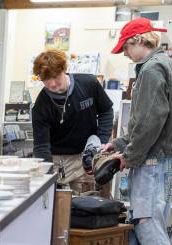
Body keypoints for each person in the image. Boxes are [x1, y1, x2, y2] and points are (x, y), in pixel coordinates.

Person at [102, 18, 172, 245]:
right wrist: (118, 145)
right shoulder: (164, 65)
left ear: (140, 41)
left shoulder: (152, 70)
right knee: (147, 221)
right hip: (164, 158)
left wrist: (128, 157)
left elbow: (149, 122)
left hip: (154, 159)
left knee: (146, 222)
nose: (126, 55)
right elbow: (147, 120)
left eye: (126, 49)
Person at [30, 50, 115, 191]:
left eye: (56, 77)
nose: (52, 84)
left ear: (64, 69)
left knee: (89, 205)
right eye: (46, 80)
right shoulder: (41, 105)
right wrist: (47, 177)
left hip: (87, 157)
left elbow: (106, 111)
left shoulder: (89, 84)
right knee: (59, 208)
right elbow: (41, 146)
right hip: (58, 161)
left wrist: (101, 140)